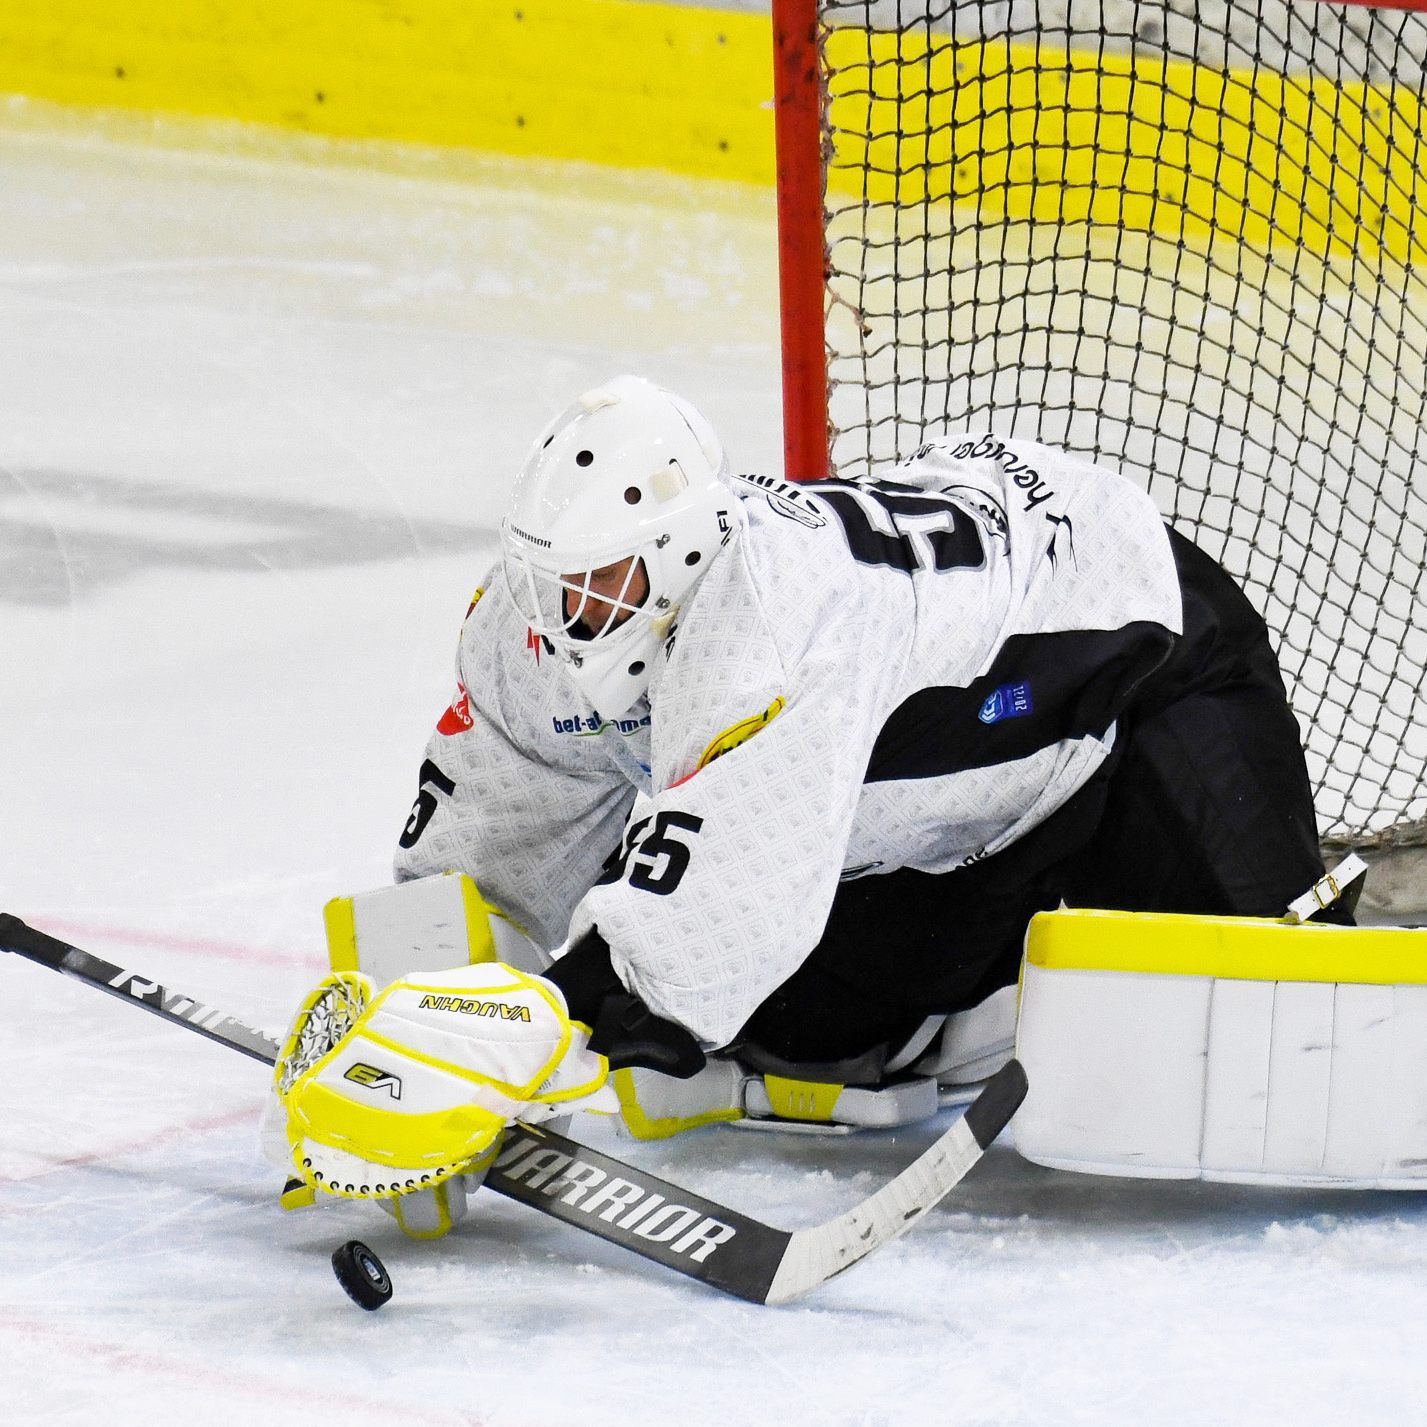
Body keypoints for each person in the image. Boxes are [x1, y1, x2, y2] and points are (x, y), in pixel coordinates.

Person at [273, 374, 1329, 1203]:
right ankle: (977, 979)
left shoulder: (774, 622)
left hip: (1138, 655)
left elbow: (702, 930)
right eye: (550, 577)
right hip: (935, 803)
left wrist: (509, 1033)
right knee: (809, 1035)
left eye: (600, 581)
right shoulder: (533, 621)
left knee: (1260, 1017)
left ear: (684, 546)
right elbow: (486, 834)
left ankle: (1035, 951)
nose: (567, 613)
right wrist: (409, 1017)